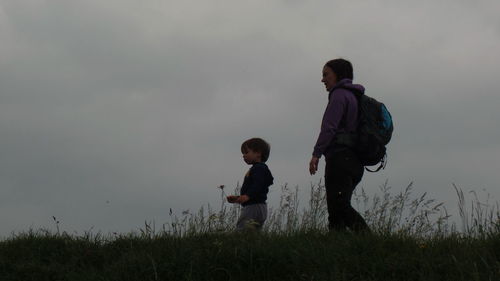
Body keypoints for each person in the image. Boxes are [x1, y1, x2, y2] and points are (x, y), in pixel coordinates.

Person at [309, 58, 370, 232]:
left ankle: (370, 240)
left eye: (326, 74)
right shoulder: (355, 96)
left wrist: (316, 154)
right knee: (337, 209)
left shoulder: (339, 95)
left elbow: (329, 128)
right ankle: (337, 245)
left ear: (338, 75)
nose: (323, 79)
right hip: (355, 160)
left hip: (340, 158)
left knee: (339, 206)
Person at [227, 138, 274, 231]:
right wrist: (238, 198)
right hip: (260, 206)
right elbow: (259, 188)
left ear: (258, 153)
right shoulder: (260, 169)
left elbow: (258, 185)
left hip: (253, 207)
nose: (243, 156)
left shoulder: (258, 168)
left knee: (242, 231)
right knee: (253, 234)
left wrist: (248, 196)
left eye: (246, 152)